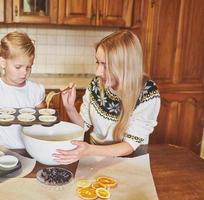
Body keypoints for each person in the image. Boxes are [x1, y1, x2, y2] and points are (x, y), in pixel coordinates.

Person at [53, 30, 161, 164]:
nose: (97, 72)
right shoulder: (96, 85)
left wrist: (89, 150)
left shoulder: (148, 93)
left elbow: (129, 145)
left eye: (105, 65)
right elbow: (83, 126)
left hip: (130, 160)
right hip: (95, 156)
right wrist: (69, 107)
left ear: (125, 66)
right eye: (97, 62)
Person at [0, 31, 45, 149]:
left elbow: (41, 120)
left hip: (29, 149)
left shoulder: (35, 90)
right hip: (1, 150)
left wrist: (44, 115)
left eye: (29, 67)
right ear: (3, 62)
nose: (24, 72)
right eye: (18, 67)